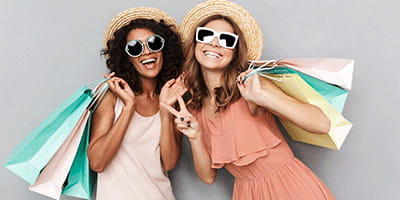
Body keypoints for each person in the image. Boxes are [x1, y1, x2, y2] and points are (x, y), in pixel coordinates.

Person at [161, 0, 336, 199]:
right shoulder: (193, 106)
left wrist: (263, 96)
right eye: (206, 35)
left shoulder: (251, 86)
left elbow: (322, 124)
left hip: (289, 188)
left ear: (235, 52)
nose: (214, 43)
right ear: (195, 44)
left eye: (226, 39)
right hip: (246, 193)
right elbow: (208, 177)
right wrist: (196, 137)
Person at [87, 7, 185, 200]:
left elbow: (170, 163)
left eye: (154, 43)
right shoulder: (111, 98)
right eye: (135, 47)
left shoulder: (170, 99)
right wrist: (128, 108)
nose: (147, 51)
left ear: (164, 50)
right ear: (127, 57)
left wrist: (165, 110)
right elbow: (98, 163)